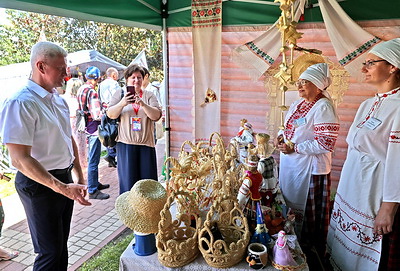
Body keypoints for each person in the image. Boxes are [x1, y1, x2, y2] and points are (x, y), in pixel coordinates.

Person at [0, 41, 91, 270]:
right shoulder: (21, 102)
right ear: (41, 66)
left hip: (62, 179)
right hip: (38, 183)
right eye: (61, 68)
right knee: (49, 252)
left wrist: (78, 176)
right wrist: (61, 186)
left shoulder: (57, 100)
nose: (66, 74)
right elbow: (19, 159)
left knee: (60, 247)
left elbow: (67, 138)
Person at [327, 38, 400, 271]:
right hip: (353, 186)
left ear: (393, 67)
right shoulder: (367, 104)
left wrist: (388, 208)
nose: (363, 68)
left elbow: (398, 161)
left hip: (374, 189)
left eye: (371, 62)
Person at [276, 63, 340, 259]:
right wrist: (281, 138)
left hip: (310, 169)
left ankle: (305, 249)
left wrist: (295, 147)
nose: (300, 86)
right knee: (288, 199)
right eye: (299, 82)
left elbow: (326, 142)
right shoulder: (298, 105)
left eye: (306, 82)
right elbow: (288, 128)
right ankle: (286, 240)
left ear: (319, 85)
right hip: (291, 164)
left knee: (305, 211)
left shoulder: (323, 106)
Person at [107, 64, 161, 194]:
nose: (136, 80)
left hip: (146, 145)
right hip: (126, 146)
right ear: (127, 79)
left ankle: (147, 213)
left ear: (143, 79)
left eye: (139, 77)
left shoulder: (149, 95)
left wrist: (142, 103)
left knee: (148, 186)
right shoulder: (119, 94)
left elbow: (156, 116)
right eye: (133, 77)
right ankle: (129, 213)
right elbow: (111, 114)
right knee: (128, 185)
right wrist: (123, 103)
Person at [76, 66, 110, 200]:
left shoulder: (81, 89)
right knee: (94, 159)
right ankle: (93, 190)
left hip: (86, 127)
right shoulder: (92, 92)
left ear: (86, 77)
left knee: (92, 157)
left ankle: (95, 182)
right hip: (94, 129)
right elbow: (97, 115)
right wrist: (107, 112)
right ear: (98, 78)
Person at [98, 67, 122, 168]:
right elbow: (116, 98)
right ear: (113, 75)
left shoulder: (101, 84)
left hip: (104, 111)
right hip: (113, 110)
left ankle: (110, 154)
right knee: (115, 132)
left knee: (108, 132)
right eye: (116, 75)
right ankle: (113, 155)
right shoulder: (114, 84)